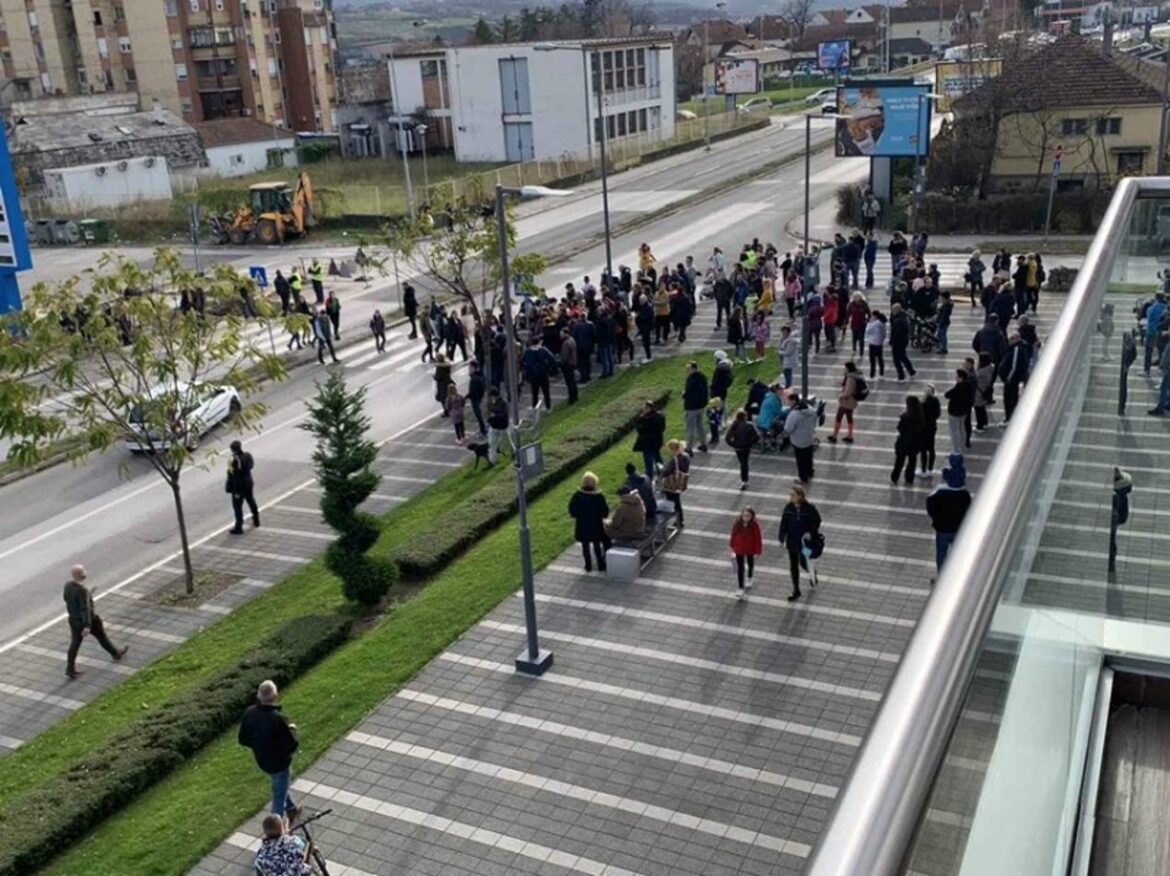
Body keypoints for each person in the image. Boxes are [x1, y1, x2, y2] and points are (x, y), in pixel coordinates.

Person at [238, 680, 302, 828]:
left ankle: (292, 810)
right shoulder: (277, 719)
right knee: (278, 796)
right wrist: (293, 731)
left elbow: (243, 739)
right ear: (275, 696)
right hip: (280, 763)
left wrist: (258, 746)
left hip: (262, 761)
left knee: (280, 786)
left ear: (259, 695)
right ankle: (275, 831)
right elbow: (291, 745)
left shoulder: (249, 713)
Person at [62, 564, 127, 679]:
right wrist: (87, 625)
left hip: (73, 621)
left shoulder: (68, 586)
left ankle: (70, 669)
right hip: (88, 621)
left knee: (75, 644)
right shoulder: (82, 590)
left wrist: (89, 595)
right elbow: (85, 608)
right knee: (102, 637)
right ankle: (116, 653)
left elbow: (70, 600)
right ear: (82, 575)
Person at [925, 452, 973, 574]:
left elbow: (930, 506)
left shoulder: (940, 494)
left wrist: (936, 519)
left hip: (943, 529)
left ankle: (942, 577)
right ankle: (956, 575)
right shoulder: (964, 495)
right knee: (957, 554)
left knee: (941, 553)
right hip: (958, 529)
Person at [777, 486, 821, 602]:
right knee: (793, 566)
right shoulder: (788, 508)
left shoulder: (810, 509)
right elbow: (783, 524)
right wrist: (781, 539)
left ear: (800, 496)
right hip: (792, 542)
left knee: (804, 560)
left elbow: (817, 521)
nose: (790, 497)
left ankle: (812, 572)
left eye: (793, 495)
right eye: (790, 495)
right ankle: (796, 589)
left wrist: (811, 533)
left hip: (804, 543)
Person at [568, 471, 610, 572]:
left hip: (582, 525)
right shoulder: (599, 497)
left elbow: (572, 510)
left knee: (585, 546)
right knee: (597, 546)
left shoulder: (577, 496)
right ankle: (600, 564)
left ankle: (588, 565)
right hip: (596, 525)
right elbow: (605, 511)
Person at [225, 440, 260, 534]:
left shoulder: (234, 460)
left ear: (232, 450)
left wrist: (235, 491)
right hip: (248, 482)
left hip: (239, 487)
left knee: (237, 507)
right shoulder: (248, 455)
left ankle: (238, 527)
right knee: (251, 500)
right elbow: (251, 466)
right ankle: (256, 519)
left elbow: (234, 476)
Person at [729, 507, 763, 600]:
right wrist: (732, 546)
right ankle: (740, 587)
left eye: (748, 516)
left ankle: (750, 576)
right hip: (739, 548)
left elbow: (758, 538)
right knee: (740, 567)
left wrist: (758, 551)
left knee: (750, 562)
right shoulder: (737, 523)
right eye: (744, 515)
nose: (746, 517)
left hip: (750, 548)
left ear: (752, 517)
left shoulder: (754, 525)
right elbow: (733, 534)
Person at [892, 395, 925, 485]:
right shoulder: (920, 416)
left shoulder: (905, 417)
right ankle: (909, 479)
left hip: (903, 443)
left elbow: (900, 429)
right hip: (914, 443)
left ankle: (895, 477)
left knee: (899, 462)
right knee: (912, 462)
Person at [998, 331, 1030, 424]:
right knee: (1011, 398)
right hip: (1012, 379)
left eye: (1012, 338)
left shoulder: (1016, 349)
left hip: (1011, 380)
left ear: (1017, 338)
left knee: (1010, 399)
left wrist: (1008, 378)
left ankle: (1010, 418)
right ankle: (1010, 417)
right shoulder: (1016, 348)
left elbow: (1014, 366)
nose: (1009, 340)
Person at [828, 361, 863, 444]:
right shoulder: (857, 375)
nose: (844, 369)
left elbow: (848, 392)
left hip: (846, 401)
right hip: (852, 401)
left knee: (838, 417)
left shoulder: (850, 378)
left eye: (845, 368)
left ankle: (834, 436)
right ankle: (850, 436)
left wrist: (841, 396)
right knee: (849, 418)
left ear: (848, 368)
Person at [725, 408, 760, 489]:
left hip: (738, 448)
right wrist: (750, 443)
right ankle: (745, 480)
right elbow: (756, 437)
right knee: (745, 463)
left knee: (742, 462)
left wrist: (734, 444)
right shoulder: (749, 426)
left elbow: (727, 439)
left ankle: (744, 480)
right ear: (745, 417)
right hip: (746, 448)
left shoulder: (734, 426)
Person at [784, 399, 817, 484]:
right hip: (809, 438)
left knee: (800, 460)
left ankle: (803, 477)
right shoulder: (812, 411)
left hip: (798, 441)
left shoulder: (794, 414)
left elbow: (788, 428)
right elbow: (815, 421)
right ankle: (810, 471)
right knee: (809, 456)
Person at [633, 400, 666, 482]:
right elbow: (663, 428)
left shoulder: (646, 419)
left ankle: (649, 479)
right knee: (658, 458)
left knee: (649, 463)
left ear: (648, 408)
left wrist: (640, 417)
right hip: (657, 441)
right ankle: (662, 473)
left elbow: (640, 429)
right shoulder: (660, 416)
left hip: (647, 443)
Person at [944, 368, 975, 453]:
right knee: (962, 429)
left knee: (955, 432)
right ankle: (963, 446)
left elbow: (947, 394)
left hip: (954, 412)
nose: (955, 377)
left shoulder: (959, 387)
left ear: (961, 378)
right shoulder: (968, 385)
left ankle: (957, 450)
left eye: (957, 376)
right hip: (963, 411)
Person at [660, 439, 690, 525]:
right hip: (681, 482)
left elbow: (666, 472)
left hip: (673, 484)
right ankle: (680, 519)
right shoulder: (686, 456)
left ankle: (678, 520)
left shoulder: (675, 460)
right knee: (677, 501)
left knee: (673, 502)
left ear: (672, 449)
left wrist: (662, 469)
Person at [521, 339, 557, 411]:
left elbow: (523, 361)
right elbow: (552, 359)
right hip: (543, 374)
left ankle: (535, 407)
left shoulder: (528, 352)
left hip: (533, 375)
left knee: (535, 393)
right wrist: (551, 370)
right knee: (546, 392)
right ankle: (548, 407)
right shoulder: (543, 350)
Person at [1109, 467, 1133, 573]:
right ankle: (1111, 562)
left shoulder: (1115, 495)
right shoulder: (1124, 489)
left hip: (1116, 517)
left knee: (1111, 541)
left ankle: (1111, 562)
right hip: (1121, 515)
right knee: (1112, 541)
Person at [683, 361, 709, 454]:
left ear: (693, 369)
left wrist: (684, 395)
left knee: (690, 428)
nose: (687, 371)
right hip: (701, 406)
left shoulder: (691, 379)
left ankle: (689, 448)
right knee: (700, 426)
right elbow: (706, 390)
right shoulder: (703, 377)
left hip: (691, 407)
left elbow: (688, 393)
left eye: (688, 369)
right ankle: (704, 444)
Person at [889, 304, 916, 381]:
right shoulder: (904, 317)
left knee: (897, 359)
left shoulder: (898, 320)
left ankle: (901, 376)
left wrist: (892, 342)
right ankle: (911, 371)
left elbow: (896, 333)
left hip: (898, 342)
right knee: (903, 357)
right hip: (903, 341)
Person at [919, 383, 941, 476]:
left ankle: (923, 470)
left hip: (923, 428)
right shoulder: (936, 401)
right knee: (931, 448)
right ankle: (930, 469)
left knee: (923, 450)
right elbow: (938, 414)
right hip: (932, 427)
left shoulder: (923, 403)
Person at [973, 352, 995, 432]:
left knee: (978, 409)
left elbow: (975, 376)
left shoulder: (982, 372)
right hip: (984, 390)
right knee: (982, 408)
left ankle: (980, 426)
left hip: (979, 392)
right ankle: (985, 423)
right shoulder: (990, 368)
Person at [486, 388, 509, 465]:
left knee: (506, 441)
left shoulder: (502, 403)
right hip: (493, 426)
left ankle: (513, 452)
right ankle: (492, 460)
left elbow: (504, 414)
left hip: (502, 426)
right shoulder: (491, 403)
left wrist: (495, 415)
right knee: (492, 443)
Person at [559, 327, 579, 405]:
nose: (560, 335)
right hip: (573, 362)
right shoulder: (572, 340)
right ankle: (575, 396)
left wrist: (561, 362)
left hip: (567, 364)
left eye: (561, 334)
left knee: (569, 382)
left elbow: (564, 356)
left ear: (565, 333)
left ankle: (571, 398)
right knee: (573, 381)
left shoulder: (566, 343)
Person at [866, 310, 887, 379]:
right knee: (880, 359)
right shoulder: (882, 323)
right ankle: (881, 373)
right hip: (879, 343)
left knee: (872, 360)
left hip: (873, 343)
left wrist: (869, 322)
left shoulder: (875, 323)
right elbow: (884, 334)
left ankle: (872, 375)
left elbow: (868, 330)